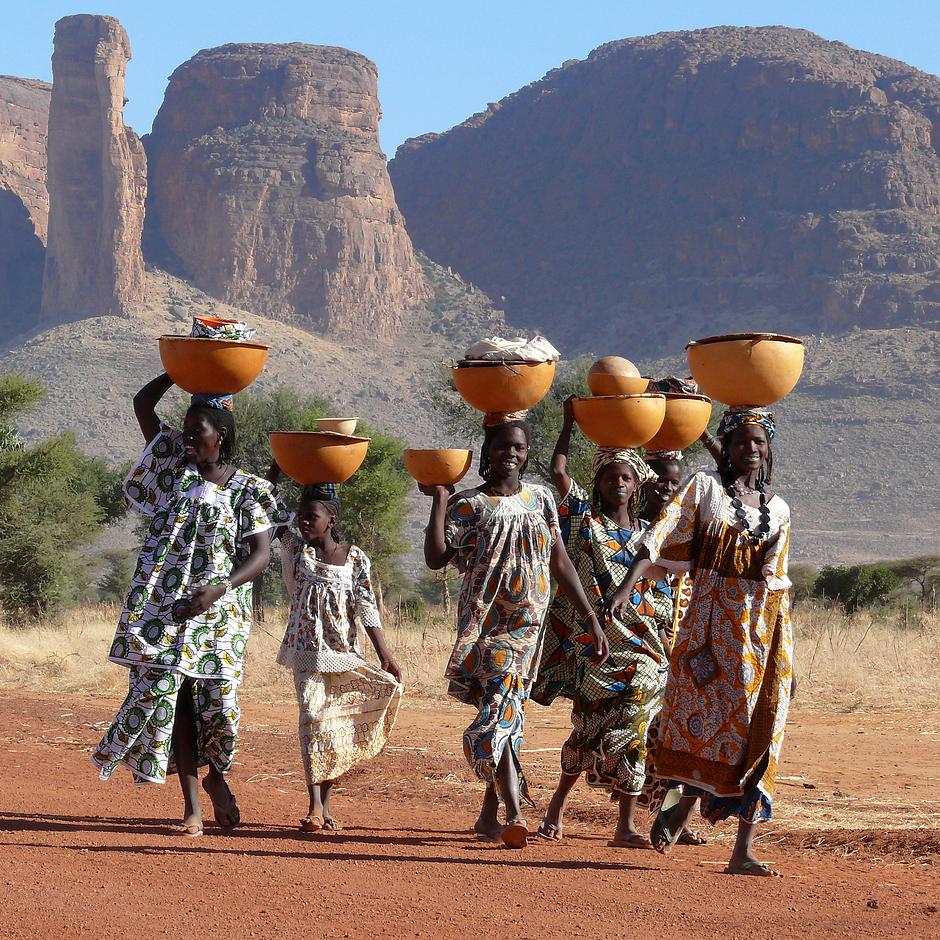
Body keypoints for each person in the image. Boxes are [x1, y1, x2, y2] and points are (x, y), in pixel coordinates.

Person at [91, 373, 288, 837]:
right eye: (184, 429)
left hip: (220, 614)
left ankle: (218, 776)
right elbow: (142, 403)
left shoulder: (248, 490)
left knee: (217, 706)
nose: (186, 438)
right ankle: (191, 808)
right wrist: (181, 372)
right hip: (166, 607)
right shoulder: (171, 470)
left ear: (219, 436)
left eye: (196, 431)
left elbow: (261, 554)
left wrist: (221, 587)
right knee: (174, 701)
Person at [609, 407, 794, 876]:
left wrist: (786, 656)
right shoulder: (705, 489)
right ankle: (677, 803)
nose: (750, 450)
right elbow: (660, 538)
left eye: (759, 442)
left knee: (758, 733)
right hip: (707, 634)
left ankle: (741, 851)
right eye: (741, 442)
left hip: (759, 636)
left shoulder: (780, 510)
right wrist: (625, 589)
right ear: (727, 449)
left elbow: (778, 583)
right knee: (697, 723)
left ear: (769, 448)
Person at [421, 411, 609, 849]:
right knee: (502, 709)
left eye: (519, 448)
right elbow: (435, 558)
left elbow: (560, 562)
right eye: (503, 446)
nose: (511, 453)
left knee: (509, 713)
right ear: (489, 452)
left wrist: (590, 619)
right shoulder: (470, 504)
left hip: (530, 626)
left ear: (527, 456)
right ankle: (515, 811)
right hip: (486, 625)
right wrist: (439, 502)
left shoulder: (542, 499)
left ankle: (490, 815)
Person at [531, 396, 675, 848]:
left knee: (635, 721)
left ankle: (626, 825)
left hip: (645, 650)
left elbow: (664, 592)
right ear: (599, 483)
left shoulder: (650, 535)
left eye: (627, 477)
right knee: (587, 729)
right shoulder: (583, 522)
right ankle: (556, 804)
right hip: (597, 647)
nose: (619, 483)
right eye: (610, 476)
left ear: (637, 486)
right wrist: (569, 421)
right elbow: (558, 473)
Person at [270, 477, 403, 833]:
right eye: (301, 515)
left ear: (332, 519)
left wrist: (385, 655)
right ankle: (314, 806)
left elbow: (368, 608)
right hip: (305, 655)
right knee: (312, 721)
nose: (304, 521)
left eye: (312, 516)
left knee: (334, 729)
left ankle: (324, 806)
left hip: (345, 655)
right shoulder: (298, 552)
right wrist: (278, 468)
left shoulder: (355, 558)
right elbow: (271, 517)